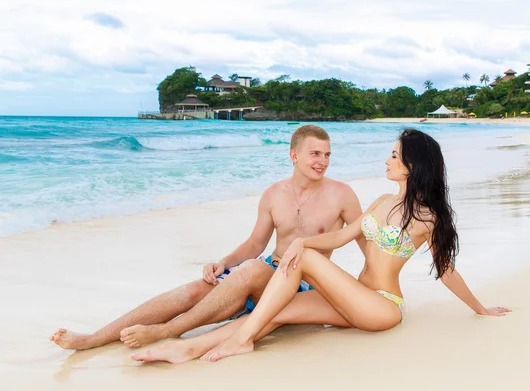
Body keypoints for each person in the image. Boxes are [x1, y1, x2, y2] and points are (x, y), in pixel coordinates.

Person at [131, 128, 511, 364]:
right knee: (274, 309)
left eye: (394, 155)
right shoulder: (380, 202)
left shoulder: (430, 218)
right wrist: (307, 242)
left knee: (303, 256)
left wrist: (480, 309)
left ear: (414, 165)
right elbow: (342, 237)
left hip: (383, 308)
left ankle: (241, 342)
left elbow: (446, 271)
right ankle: (187, 349)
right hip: (356, 295)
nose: (387, 160)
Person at [50, 125, 366, 350]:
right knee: (197, 289)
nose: (322, 161)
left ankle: (167, 331)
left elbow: (366, 243)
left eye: (326, 154)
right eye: (314, 153)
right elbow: (256, 244)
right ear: (294, 155)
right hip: (266, 271)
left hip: (303, 283)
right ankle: (93, 339)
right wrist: (222, 262)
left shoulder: (342, 195)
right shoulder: (274, 194)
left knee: (252, 270)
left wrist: (369, 292)